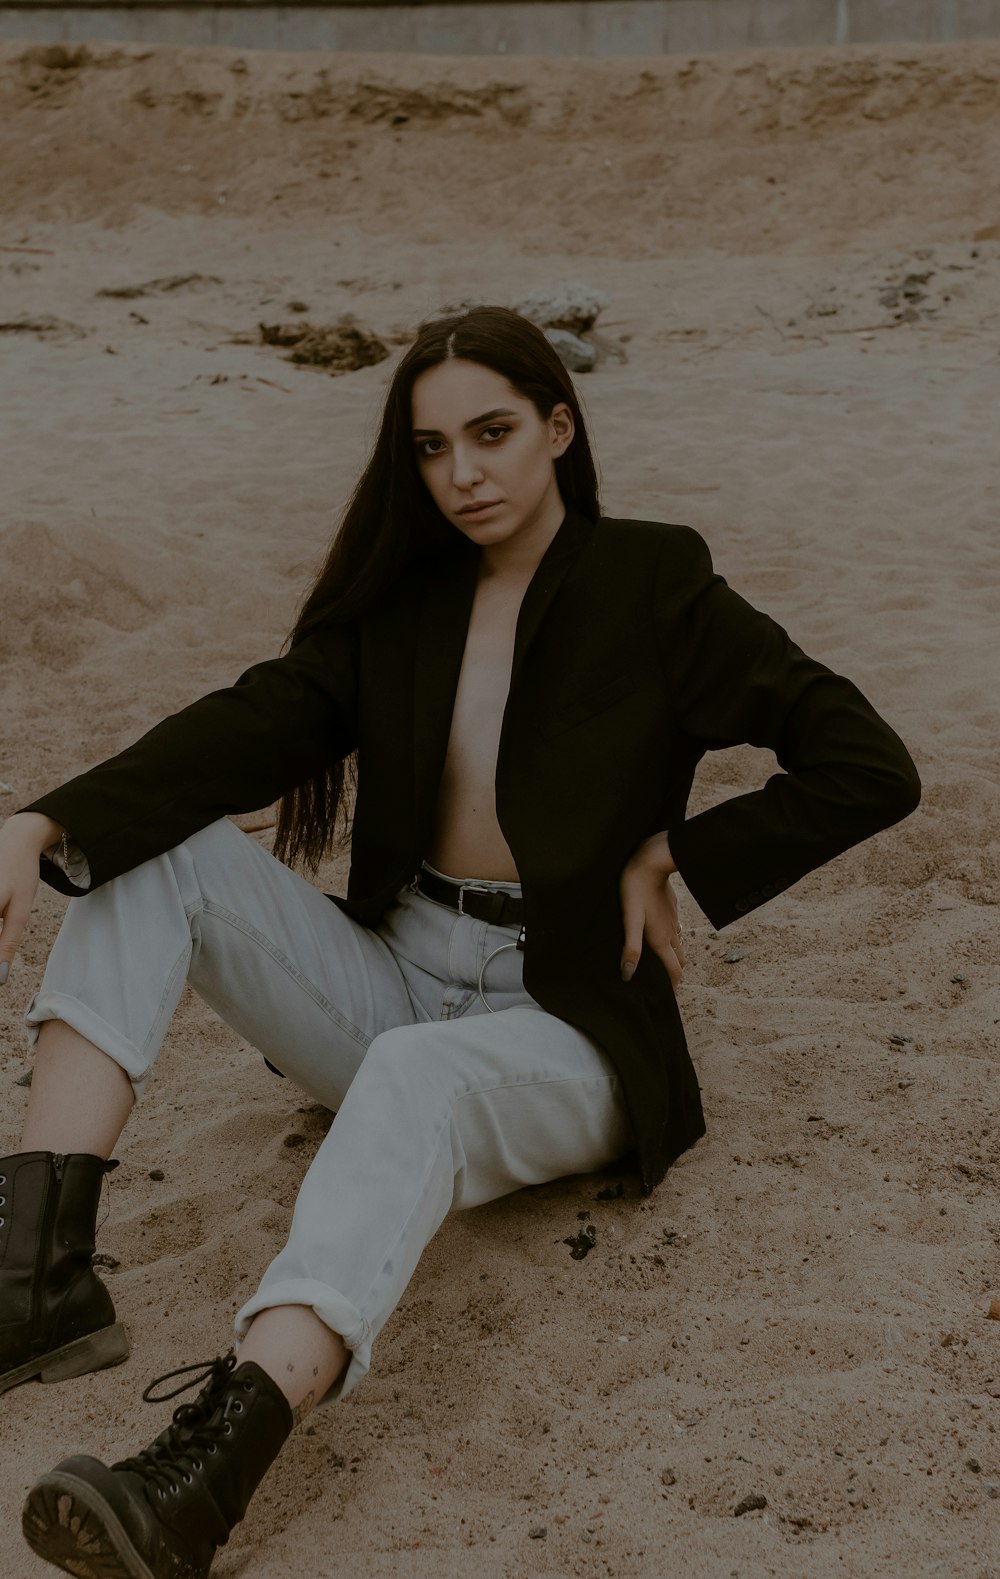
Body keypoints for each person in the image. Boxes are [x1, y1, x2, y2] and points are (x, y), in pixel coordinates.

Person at [0, 305, 919, 1578]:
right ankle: (36, 1280)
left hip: (570, 1022)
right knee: (157, 854)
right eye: (430, 449)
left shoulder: (651, 581)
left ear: (558, 426)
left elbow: (867, 763)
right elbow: (254, 721)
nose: (463, 475)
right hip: (394, 974)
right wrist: (44, 818)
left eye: (490, 435)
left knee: (412, 1080)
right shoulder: (405, 602)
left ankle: (210, 1467)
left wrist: (683, 858)